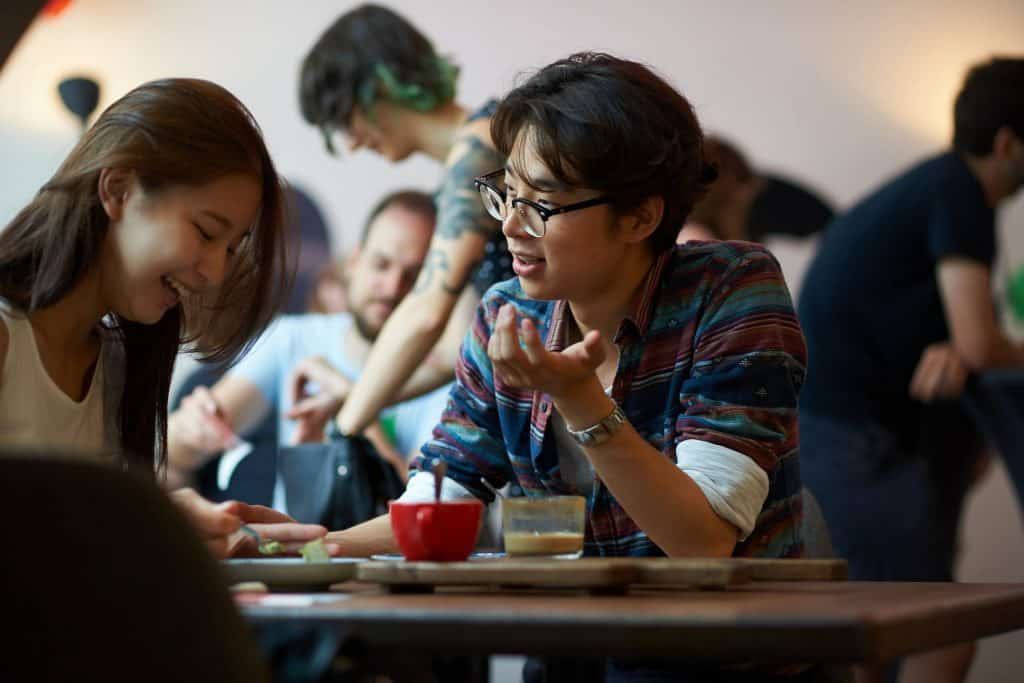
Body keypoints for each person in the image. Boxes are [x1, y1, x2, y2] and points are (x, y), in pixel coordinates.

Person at [325, 51, 808, 680]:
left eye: (543, 205)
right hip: (567, 659)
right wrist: (305, 544)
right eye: (506, 196)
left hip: (717, 662)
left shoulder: (731, 290)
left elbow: (704, 539)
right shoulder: (506, 313)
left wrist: (581, 400)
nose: (512, 228)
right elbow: (444, 493)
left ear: (641, 215)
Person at [0, 77, 328, 558]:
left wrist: (167, 531)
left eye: (231, 249)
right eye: (204, 231)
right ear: (118, 190)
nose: (214, 274)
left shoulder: (116, 363)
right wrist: (147, 523)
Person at [798, 57, 1024, 683]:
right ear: (1007, 143)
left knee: (878, 634)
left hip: (831, 433)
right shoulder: (960, 192)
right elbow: (982, 342)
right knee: (938, 632)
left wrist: (959, 343)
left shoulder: (934, 185)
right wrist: (973, 344)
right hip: (852, 439)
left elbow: (964, 338)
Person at [299, 4, 511, 440]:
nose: (353, 143)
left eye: (345, 119)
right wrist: (357, 396)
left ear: (379, 86)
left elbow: (425, 313)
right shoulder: (458, 172)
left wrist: (348, 423)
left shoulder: (480, 146)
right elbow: (457, 346)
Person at [167, 190, 450, 489]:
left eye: (415, 275)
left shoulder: (444, 375)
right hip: (288, 537)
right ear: (354, 262)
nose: (393, 287)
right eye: (381, 264)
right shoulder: (291, 337)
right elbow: (176, 451)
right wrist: (192, 429)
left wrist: (351, 408)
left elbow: (425, 508)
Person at [677, 135, 834, 244]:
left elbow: (823, 219)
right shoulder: (701, 247)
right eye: (743, 180)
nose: (754, 188)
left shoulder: (702, 244)